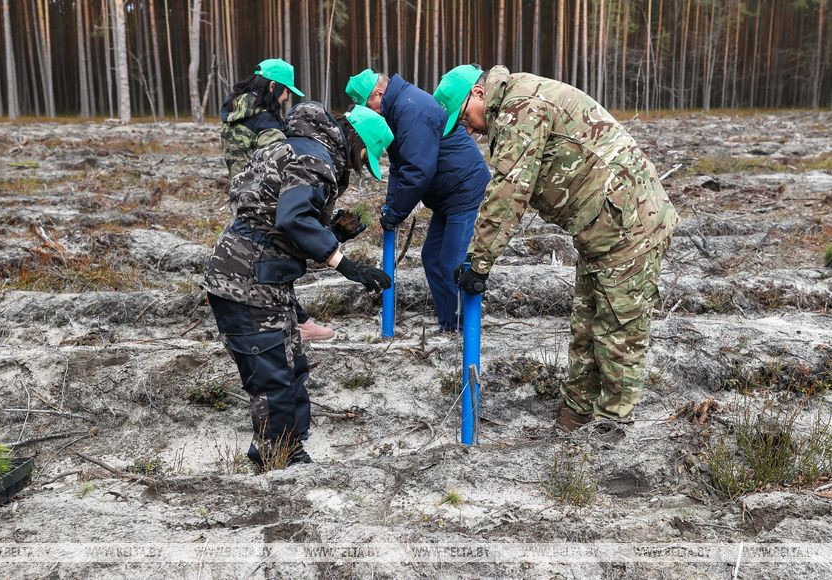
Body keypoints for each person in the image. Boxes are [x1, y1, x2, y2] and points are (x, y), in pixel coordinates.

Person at [434, 64, 680, 431]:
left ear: (479, 93)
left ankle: (613, 429)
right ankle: (575, 415)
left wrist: (479, 262)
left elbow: (509, 191)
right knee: (586, 325)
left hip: (631, 225)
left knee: (618, 332)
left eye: (463, 118)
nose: (467, 129)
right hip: (602, 229)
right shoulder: (514, 104)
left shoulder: (521, 107)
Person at [202, 102, 394, 466]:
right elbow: (291, 218)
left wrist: (332, 231)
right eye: (361, 159)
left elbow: (270, 215)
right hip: (247, 283)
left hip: (256, 277)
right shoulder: (315, 160)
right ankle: (278, 462)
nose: (355, 168)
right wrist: (343, 262)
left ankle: (290, 448)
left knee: (290, 365)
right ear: (354, 143)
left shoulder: (290, 146)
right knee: (274, 377)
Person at [345, 69, 490, 333]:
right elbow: (400, 167)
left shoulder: (412, 108)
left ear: (378, 93)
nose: (369, 112)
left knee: (451, 263)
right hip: (447, 194)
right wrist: (391, 206)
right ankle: (449, 323)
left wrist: (397, 213)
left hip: (463, 190)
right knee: (431, 257)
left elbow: (419, 170)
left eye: (367, 105)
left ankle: (462, 328)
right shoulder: (395, 111)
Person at [219, 58, 335, 342]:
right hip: (263, 198)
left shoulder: (234, 108)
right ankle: (297, 322)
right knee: (277, 256)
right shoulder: (267, 122)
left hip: (240, 192)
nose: (286, 98)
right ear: (272, 86)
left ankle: (282, 317)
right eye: (285, 92)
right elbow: (281, 163)